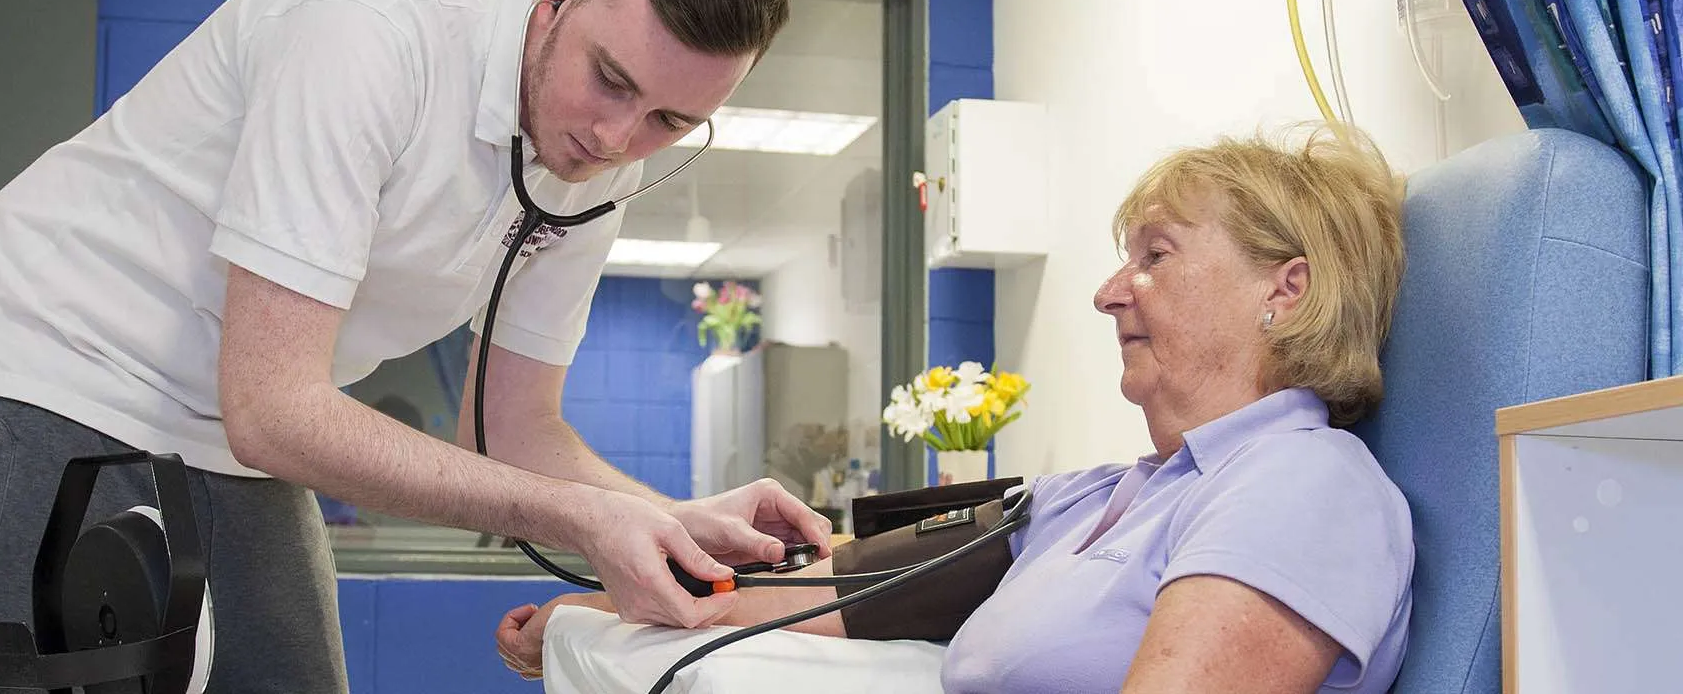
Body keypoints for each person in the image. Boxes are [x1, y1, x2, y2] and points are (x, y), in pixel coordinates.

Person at [0, 0, 829, 692]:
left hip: (240, 432)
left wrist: (673, 520)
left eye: (671, 121)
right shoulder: (372, 29)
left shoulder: (597, 173)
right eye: (610, 79)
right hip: (64, 369)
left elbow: (511, 431)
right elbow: (276, 410)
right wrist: (586, 522)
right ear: (553, 3)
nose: (616, 139)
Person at [496, 122, 1415, 693]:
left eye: (1156, 256)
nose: (1108, 292)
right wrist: (611, 612)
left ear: (1286, 289)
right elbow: (850, 589)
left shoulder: (1302, 483)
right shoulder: (1097, 496)